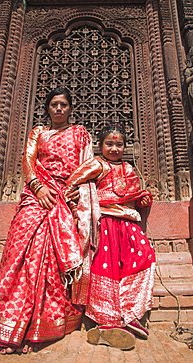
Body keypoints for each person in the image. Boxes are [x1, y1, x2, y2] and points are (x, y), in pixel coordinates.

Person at [0, 87, 94, 354]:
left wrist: (76, 189)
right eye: (54, 104)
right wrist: (38, 187)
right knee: (19, 253)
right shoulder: (38, 132)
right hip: (36, 195)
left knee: (49, 261)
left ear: (70, 108)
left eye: (63, 104)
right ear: (48, 108)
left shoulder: (79, 133)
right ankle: (8, 327)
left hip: (65, 199)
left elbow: (86, 166)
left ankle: (36, 329)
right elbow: (28, 159)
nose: (59, 109)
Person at [65, 124, 156, 350]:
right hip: (105, 221)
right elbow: (72, 182)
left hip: (128, 223)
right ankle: (107, 321)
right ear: (100, 146)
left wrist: (141, 200)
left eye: (119, 144)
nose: (114, 148)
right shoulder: (97, 164)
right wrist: (78, 198)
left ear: (125, 147)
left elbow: (132, 195)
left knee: (144, 259)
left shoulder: (128, 168)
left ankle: (130, 314)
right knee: (106, 268)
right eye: (109, 144)